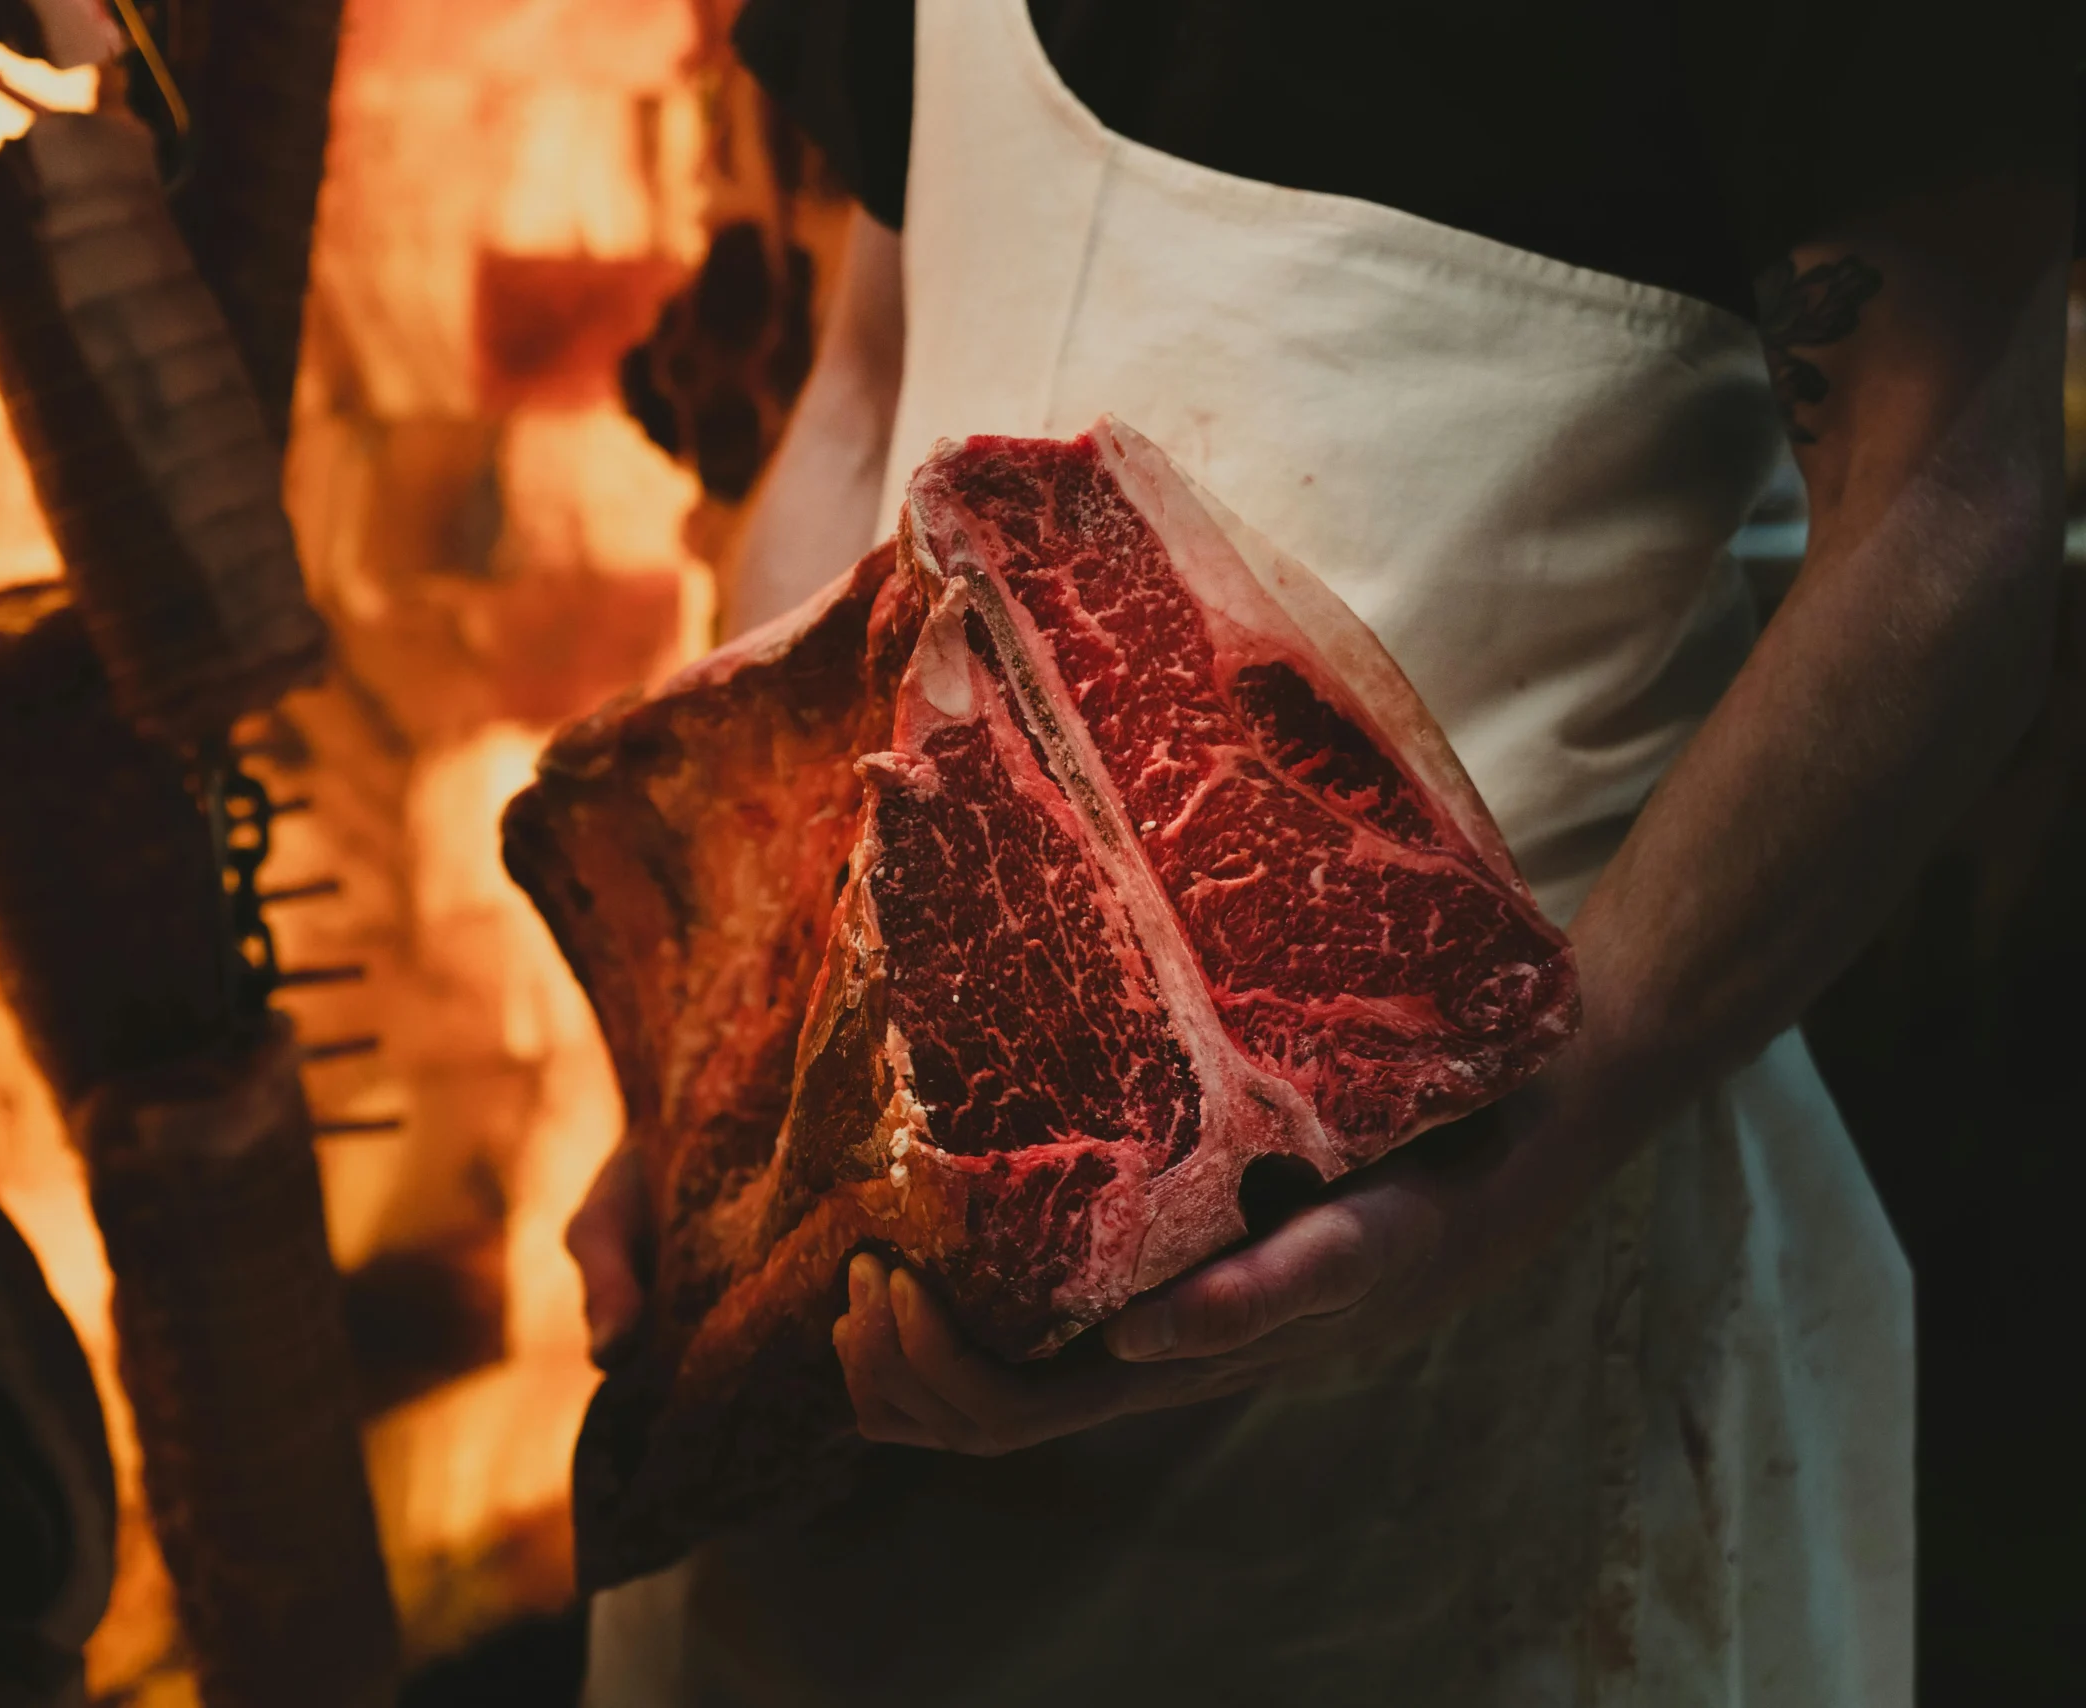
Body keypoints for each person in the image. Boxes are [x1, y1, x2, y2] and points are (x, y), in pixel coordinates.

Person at [568, 2, 2082, 1701]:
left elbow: (1951, 506)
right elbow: (861, 384)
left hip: (1472, 1345)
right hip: (873, 1393)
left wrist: (1497, 1195)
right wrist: (715, 1062)